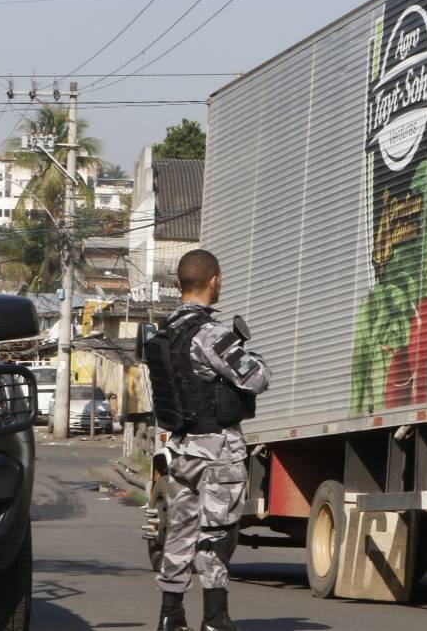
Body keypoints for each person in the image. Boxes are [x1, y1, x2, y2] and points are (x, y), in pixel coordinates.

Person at [151, 249, 271, 631]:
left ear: (180, 283)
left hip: (181, 448)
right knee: (216, 535)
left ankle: (171, 615)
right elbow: (256, 379)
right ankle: (215, 619)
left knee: (180, 529)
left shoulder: (164, 332)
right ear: (214, 280)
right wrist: (255, 357)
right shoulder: (211, 334)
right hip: (217, 450)